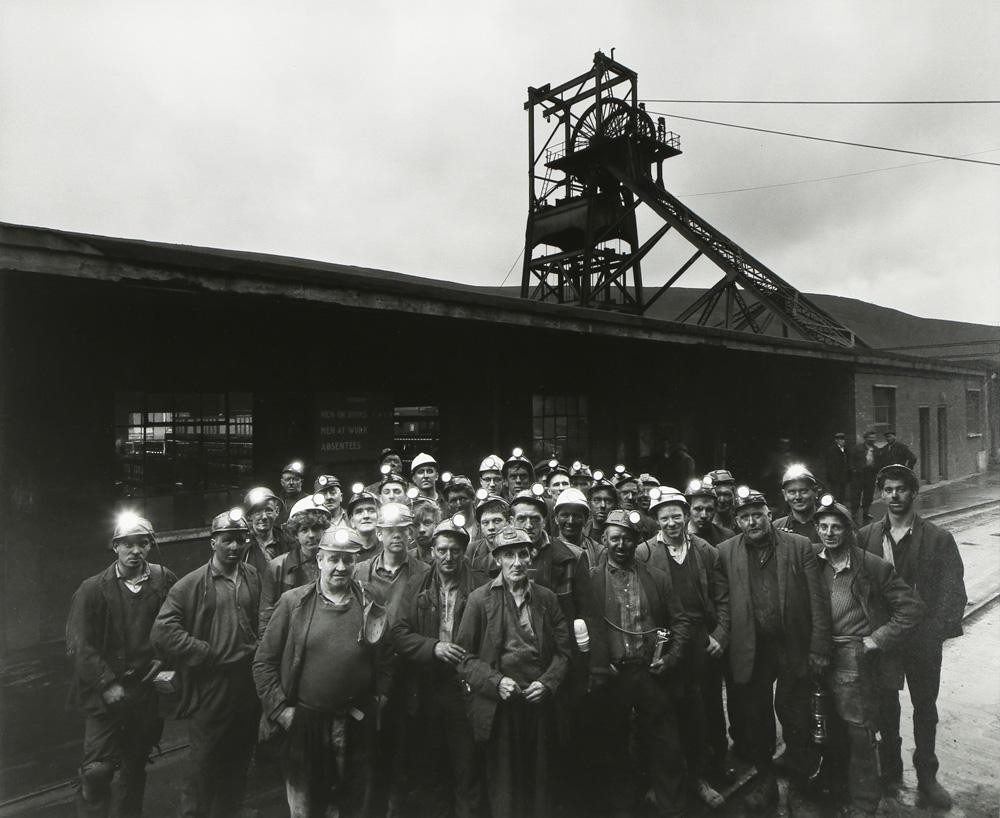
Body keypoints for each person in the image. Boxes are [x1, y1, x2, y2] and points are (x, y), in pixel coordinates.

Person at [253, 526, 392, 818]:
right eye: (334, 559)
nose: (341, 567)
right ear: (319, 560)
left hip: (358, 721)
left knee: (357, 804)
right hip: (307, 722)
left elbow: (386, 656)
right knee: (307, 805)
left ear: (356, 563)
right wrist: (282, 712)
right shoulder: (294, 603)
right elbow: (263, 662)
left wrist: (381, 697)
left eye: (349, 560)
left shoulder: (371, 599)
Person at [713, 487, 831, 812]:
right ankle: (766, 781)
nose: (752, 522)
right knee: (756, 715)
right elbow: (722, 602)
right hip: (753, 646)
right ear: (737, 521)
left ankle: (798, 781)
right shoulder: (724, 552)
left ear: (769, 514)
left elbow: (818, 601)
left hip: (791, 642)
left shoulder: (798, 545)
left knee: (794, 710)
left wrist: (819, 647)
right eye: (744, 516)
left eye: (757, 514)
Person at [857, 465, 967, 809]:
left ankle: (927, 777)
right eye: (887, 489)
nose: (894, 496)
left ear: (913, 493)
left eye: (901, 489)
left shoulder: (937, 538)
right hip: (884, 641)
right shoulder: (867, 537)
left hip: (921, 642)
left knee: (924, 708)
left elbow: (954, 592)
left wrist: (934, 632)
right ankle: (890, 773)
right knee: (886, 708)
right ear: (880, 493)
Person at [812, 496, 924, 817]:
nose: (829, 533)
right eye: (823, 526)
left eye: (836, 527)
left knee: (859, 731)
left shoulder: (872, 566)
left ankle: (864, 803)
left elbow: (912, 608)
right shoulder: (813, 562)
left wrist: (877, 639)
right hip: (820, 653)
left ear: (849, 530)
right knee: (826, 727)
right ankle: (835, 792)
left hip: (854, 657)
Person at [151, 508, 262, 818]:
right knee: (205, 758)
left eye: (240, 540)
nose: (234, 547)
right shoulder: (192, 584)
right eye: (227, 540)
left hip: (245, 679)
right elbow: (162, 630)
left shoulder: (251, 575)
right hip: (213, 681)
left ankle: (229, 811)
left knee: (240, 755)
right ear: (213, 542)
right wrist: (202, 651)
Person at [66, 512, 177, 818]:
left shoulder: (164, 580)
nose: (135, 551)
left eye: (142, 544)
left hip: (146, 690)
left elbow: (177, 628)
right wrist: (106, 683)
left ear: (150, 546)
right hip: (107, 694)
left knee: (134, 765)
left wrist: (166, 668)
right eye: (127, 544)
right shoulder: (92, 589)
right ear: (115, 547)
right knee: (97, 769)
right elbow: (79, 644)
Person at [582, 509, 692, 816]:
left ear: (636, 541)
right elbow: (585, 627)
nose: (621, 545)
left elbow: (681, 622)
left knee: (666, 746)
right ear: (604, 541)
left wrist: (670, 658)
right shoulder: (591, 581)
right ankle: (624, 809)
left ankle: (673, 808)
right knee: (615, 748)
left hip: (651, 674)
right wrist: (600, 661)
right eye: (614, 538)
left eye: (627, 539)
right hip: (614, 677)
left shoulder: (656, 578)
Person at [456, 526, 572, 818]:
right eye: (509, 555)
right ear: (498, 560)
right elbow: (464, 658)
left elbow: (564, 652)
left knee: (540, 787)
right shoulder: (480, 599)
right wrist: (496, 682)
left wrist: (547, 683)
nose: (517, 562)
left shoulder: (546, 598)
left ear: (531, 555)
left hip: (538, 704)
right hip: (501, 708)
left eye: (522, 554)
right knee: (505, 791)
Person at [635, 487, 725, 808]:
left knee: (698, 715)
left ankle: (698, 778)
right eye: (664, 517)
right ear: (656, 521)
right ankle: (662, 783)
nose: (671, 523)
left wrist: (720, 634)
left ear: (687, 516)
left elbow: (722, 599)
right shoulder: (643, 553)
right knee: (661, 715)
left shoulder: (705, 551)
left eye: (676, 516)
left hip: (700, 643)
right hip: (664, 642)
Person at [391, 516, 486, 818]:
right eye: (442, 549)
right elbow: (399, 633)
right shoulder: (417, 584)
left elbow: (490, 638)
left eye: (455, 550)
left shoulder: (480, 586)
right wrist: (433, 647)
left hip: (466, 691)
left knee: (466, 769)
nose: (448, 557)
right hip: (428, 688)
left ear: (464, 552)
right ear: (431, 550)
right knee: (430, 768)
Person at [259, 494, 331, 633]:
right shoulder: (277, 567)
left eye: (315, 528)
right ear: (295, 534)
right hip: (292, 638)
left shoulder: (336, 563)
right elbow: (266, 617)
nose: (311, 535)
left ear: (324, 530)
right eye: (304, 530)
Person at [243, 486, 288, 577]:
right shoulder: (242, 546)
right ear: (249, 515)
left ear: (277, 511)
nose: (263, 517)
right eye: (258, 511)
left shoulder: (289, 542)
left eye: (268, 510)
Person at [552, 487, 602, 566]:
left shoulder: (598, 552)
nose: (570, 521)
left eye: (576, 516)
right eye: (565, 515)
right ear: (556, 518)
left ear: (585, 519)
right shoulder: (548, 549)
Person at [773, 464, 822, 544]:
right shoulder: (776, 527)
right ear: (785, 495)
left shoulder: (829, 525)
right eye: (792, 492)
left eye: (803, 491)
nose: (798, 497)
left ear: (815, 492)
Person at [466, 492, 510, 574]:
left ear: (509, 522)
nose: (491, 528)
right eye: (485, 522)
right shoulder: (470, 551)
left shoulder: (520, 548)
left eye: (497, 521)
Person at [685, 478, 734, 547]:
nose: (704, 515)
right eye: (698, 509)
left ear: (715, 510)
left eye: (709, 510)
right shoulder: (677, 534)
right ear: (688, 509)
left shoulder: (727, 537)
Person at [850, 432, 880, 523]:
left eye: (874, 437)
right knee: (856, 494)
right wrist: (853, 470)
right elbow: (851, 460)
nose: (872, 439)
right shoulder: (857, 448)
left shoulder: (876, 449)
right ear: (865, 438)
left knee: (868, 495)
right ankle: (854, 513)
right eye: (870, 437)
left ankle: (866, 513)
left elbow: (879, 461)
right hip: (859, 475)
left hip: (870, 474)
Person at [346, 487, 382, 561]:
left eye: (371, 510)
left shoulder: (388, 550)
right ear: (352, 521)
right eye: (359, 512)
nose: (366, 516)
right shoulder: (346, 554)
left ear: (380, 517)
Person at [443, 475, 481, 542]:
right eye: (453, 500)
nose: (459, 504)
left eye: (463, 499)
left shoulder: (485, 524)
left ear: (473, 499)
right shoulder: (444, 529)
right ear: (448, 504)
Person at [583, 471, 618, 543]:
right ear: (589, 504)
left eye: (608, 501)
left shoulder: (621, 533)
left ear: (615, 505)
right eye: (597, 500)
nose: (603, 506)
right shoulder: (581, 531)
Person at [408, 498, 443, 565]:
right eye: (415, 524)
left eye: (427, 523)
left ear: (437, 524)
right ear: (409, 530)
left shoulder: (447, 557)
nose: (421, 530)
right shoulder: (406, 559)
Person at [822, 433, 851, 504]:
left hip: (844, 475)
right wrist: (832, 476)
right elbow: (829, 464)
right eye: (841, 440)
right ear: (836, 440)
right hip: (835, 476)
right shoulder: (831, 450)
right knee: (836, 493)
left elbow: (848, 461)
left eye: (843, 439)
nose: (843, 441)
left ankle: (841, 506)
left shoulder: (846, 449)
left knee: (842, 493)